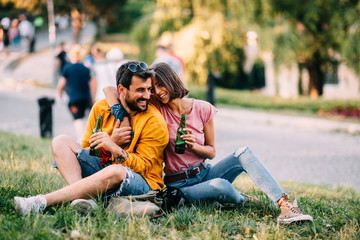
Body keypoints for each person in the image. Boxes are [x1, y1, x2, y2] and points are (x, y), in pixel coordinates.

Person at [104, 62, 313, 224]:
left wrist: (194, 146)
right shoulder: (158, 107)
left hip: (205, 171)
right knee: (220, 186)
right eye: (154, 87)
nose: (157, 92)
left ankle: (285, 205)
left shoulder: (203, 108)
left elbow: (212, 152)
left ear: (172, 81)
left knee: (243, 152)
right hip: (179, 184)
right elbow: (109, 90)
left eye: (160, 85)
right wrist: (119, 115)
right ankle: (241, 198)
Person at [13, 61, 169, 216]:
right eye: (140, 90)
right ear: (121, 90)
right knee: (60, 141)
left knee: (115, 171)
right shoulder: (101, 108)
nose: (147, 96)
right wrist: (110, 143)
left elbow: (143, 167)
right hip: (106, 170)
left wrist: (114, 148)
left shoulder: (154, 122)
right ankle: (83, 198)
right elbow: (86, 151)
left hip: (143, 182)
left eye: (149, 89)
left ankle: (40, 202)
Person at [57, 44, 93, 142]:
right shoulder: (86, 69)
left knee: (78, 120)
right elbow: (90, 85)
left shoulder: (67, 68)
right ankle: (88, 139)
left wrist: (59, 95)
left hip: (74, 99)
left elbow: (61, 84)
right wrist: (92, 99)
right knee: (87, 120)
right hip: (86, 98)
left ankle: (82, 141)